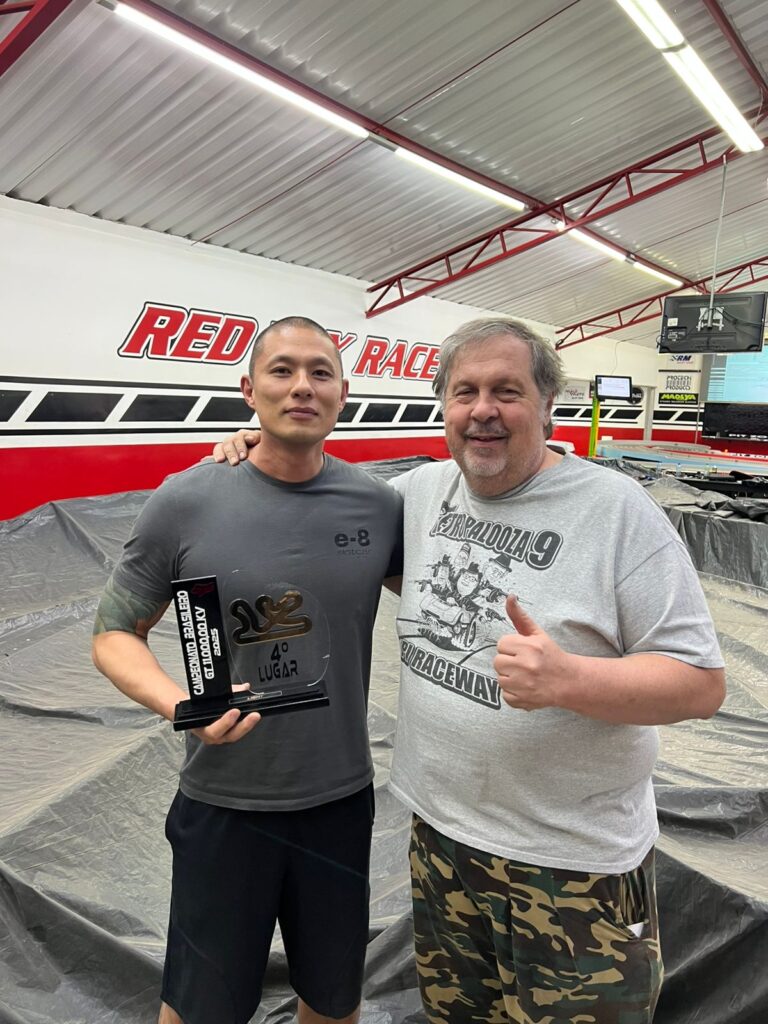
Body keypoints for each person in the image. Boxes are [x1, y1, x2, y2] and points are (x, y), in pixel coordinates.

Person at [212, 317, 726, 1024]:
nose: (483, 410)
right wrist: (263, 449)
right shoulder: (422, 493)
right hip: (441, 846)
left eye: (507, 391)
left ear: (547, 404)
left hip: (571, 868)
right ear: (445, 407)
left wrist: (571, 680)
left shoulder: (616, 513)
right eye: (465, 392)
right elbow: (328, 514)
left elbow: (701, 684)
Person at [92, 316, 403, 1024]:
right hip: (225, 807)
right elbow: (113, 633)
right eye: (282, 370)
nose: (302, 387)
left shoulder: (379, 504)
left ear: (344, 393)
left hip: (338, 803)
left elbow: (450, 571)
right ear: (248, 389)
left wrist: (546, 461)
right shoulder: (186, 501)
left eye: (320, 372)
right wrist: (181, 706)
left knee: (334, 1000)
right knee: (199, 1008)